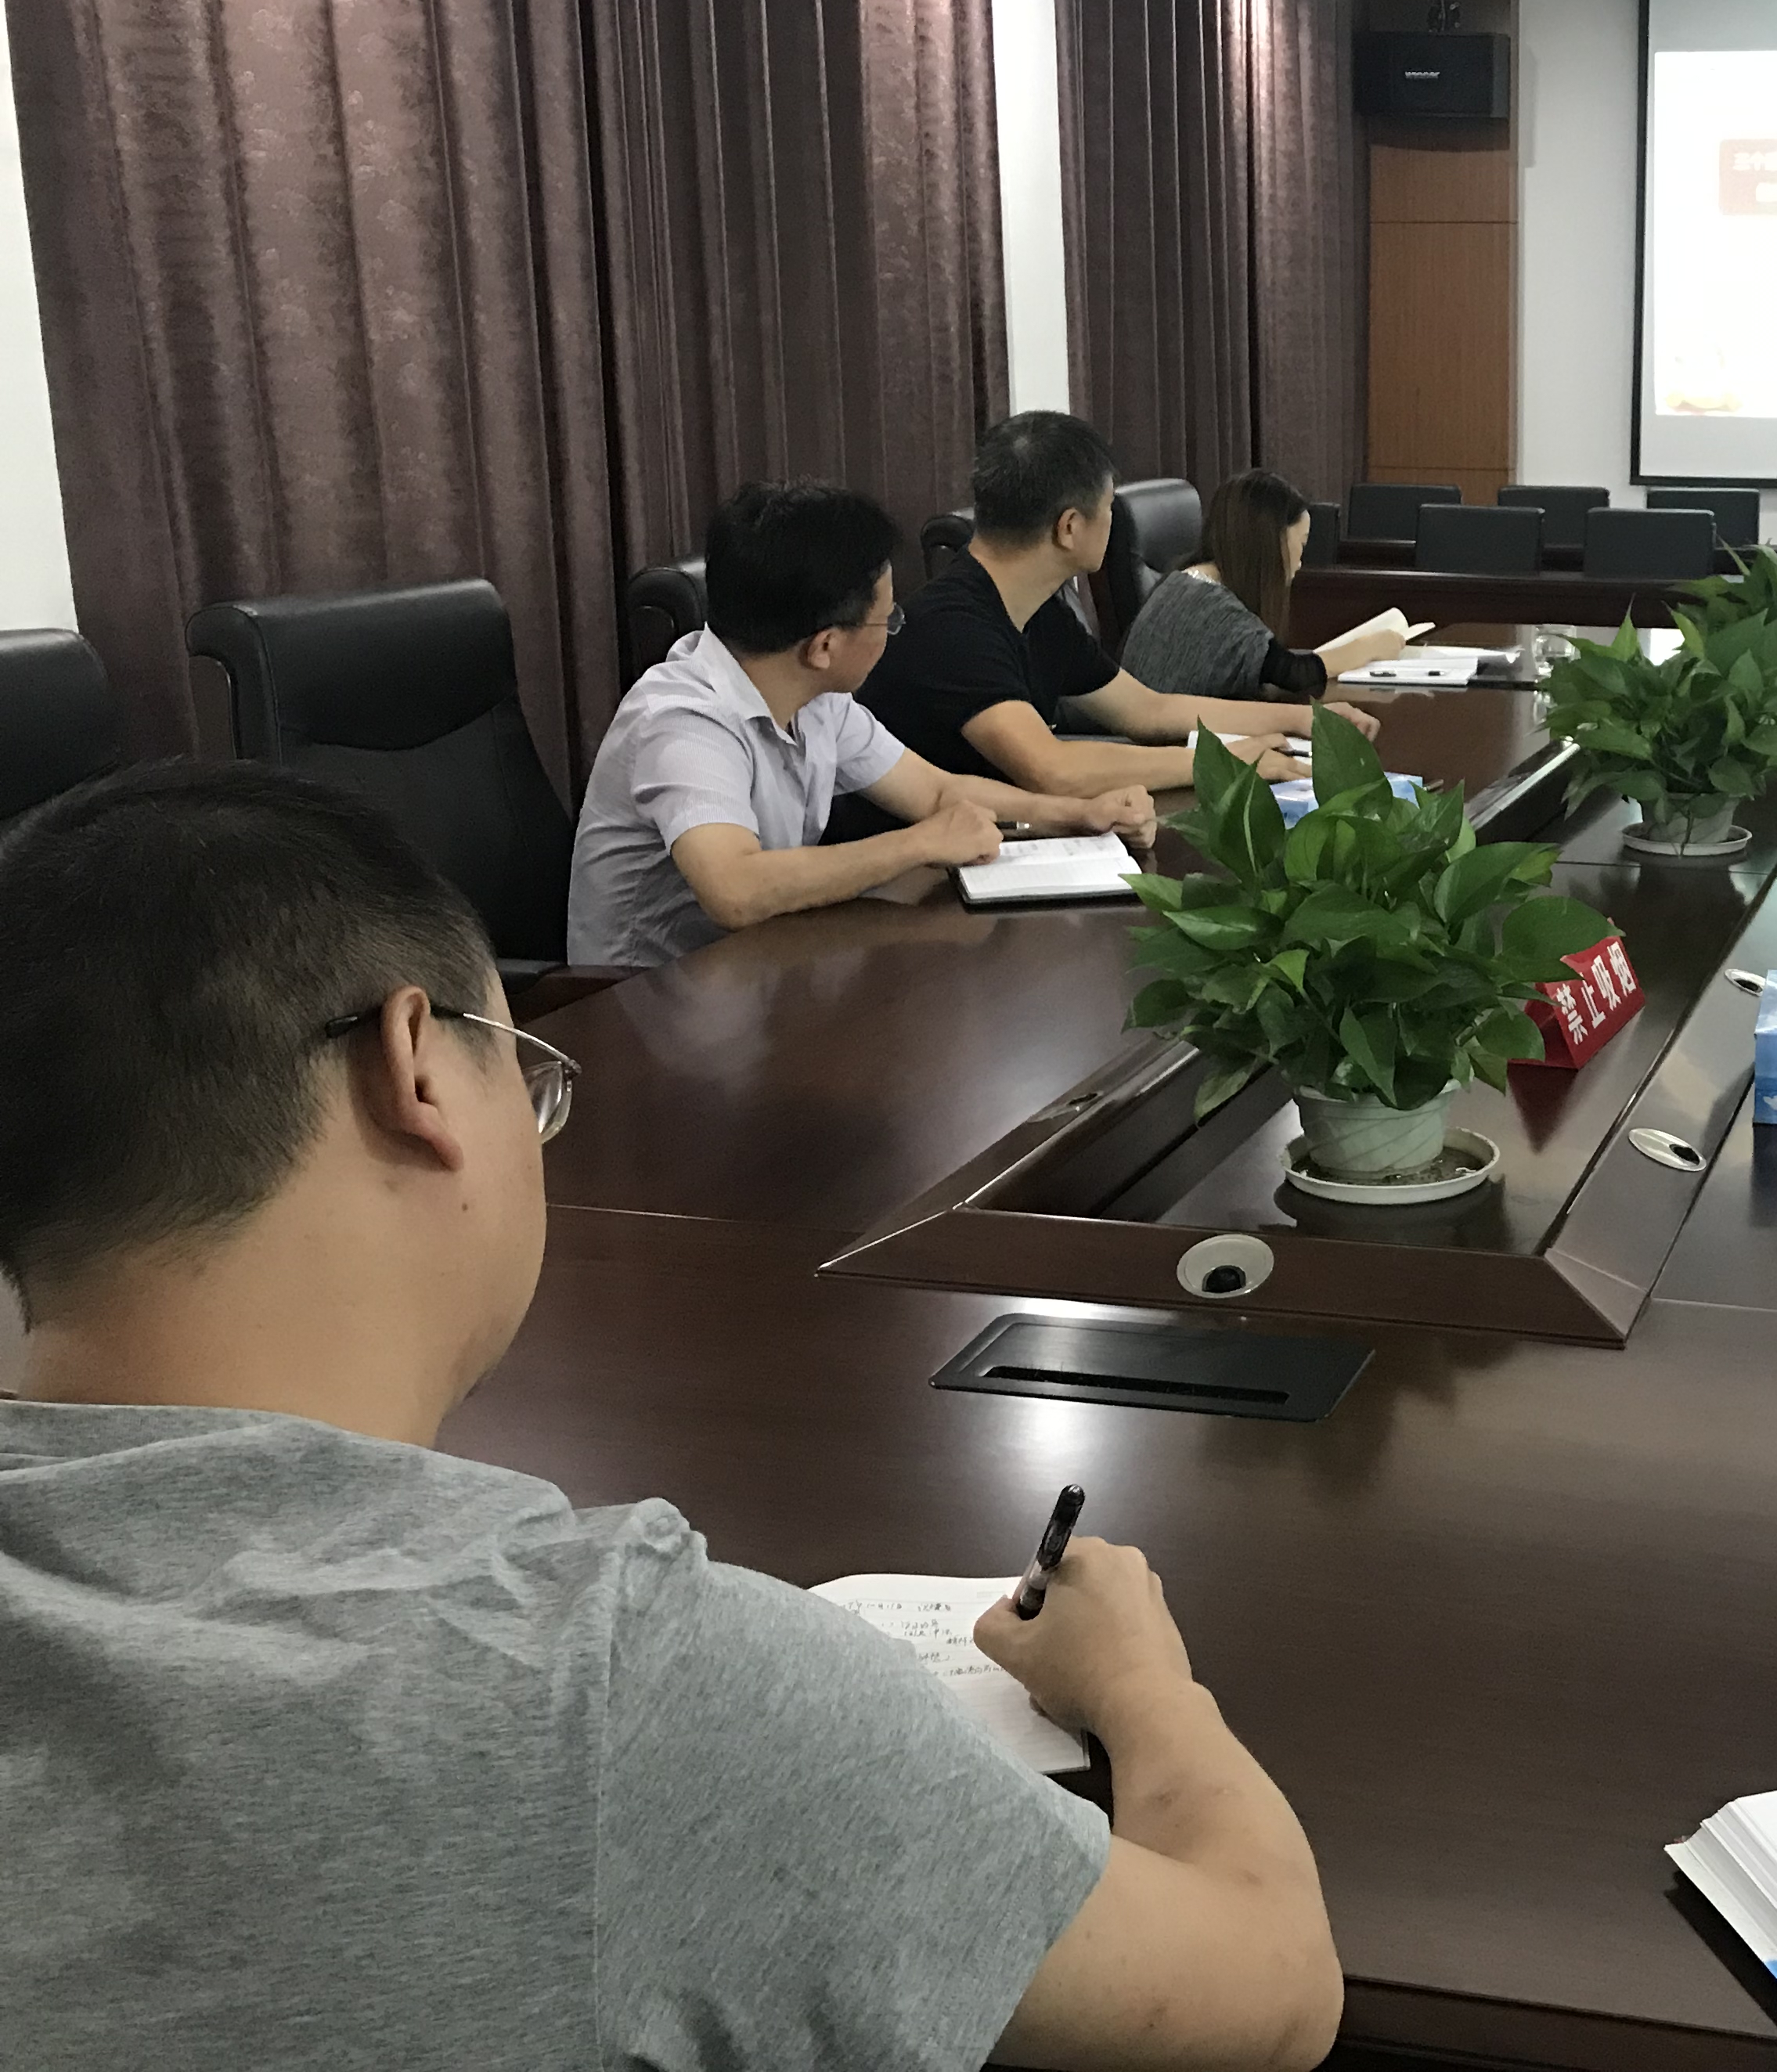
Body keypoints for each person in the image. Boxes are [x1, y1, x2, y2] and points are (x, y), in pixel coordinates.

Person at [0, 766, 1341, 2071]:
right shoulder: (602, 1687)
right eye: (524, 1072)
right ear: (416, 1070)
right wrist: (1141, 1685)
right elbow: (1269, 1985)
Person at [568, 481, 1156, 970]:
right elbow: (735, 889)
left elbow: (937, 792)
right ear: (824, 645)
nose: (894, 631)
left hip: (758, 969)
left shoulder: (815, 697)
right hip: (642, 1006)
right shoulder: (683, 723)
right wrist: (918, 844)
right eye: (887, 620)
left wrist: (1077, 814)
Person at [861, 413, 1379, 802]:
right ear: (1069, 527)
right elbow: (1051, 770)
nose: (1113, 521)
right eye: (1109, 507)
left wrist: (1302, 719)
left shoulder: (1038, 611)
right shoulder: (955, 627)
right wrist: (1226, 760)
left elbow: (1147, 710)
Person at [1118, 469, 1411, 702]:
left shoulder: (1186, 581)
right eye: (1301, 544)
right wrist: (1368, 647)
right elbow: (1295, 675)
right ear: (1271, 541)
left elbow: (1268, 671)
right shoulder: (1211, 606)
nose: (1300, 562)